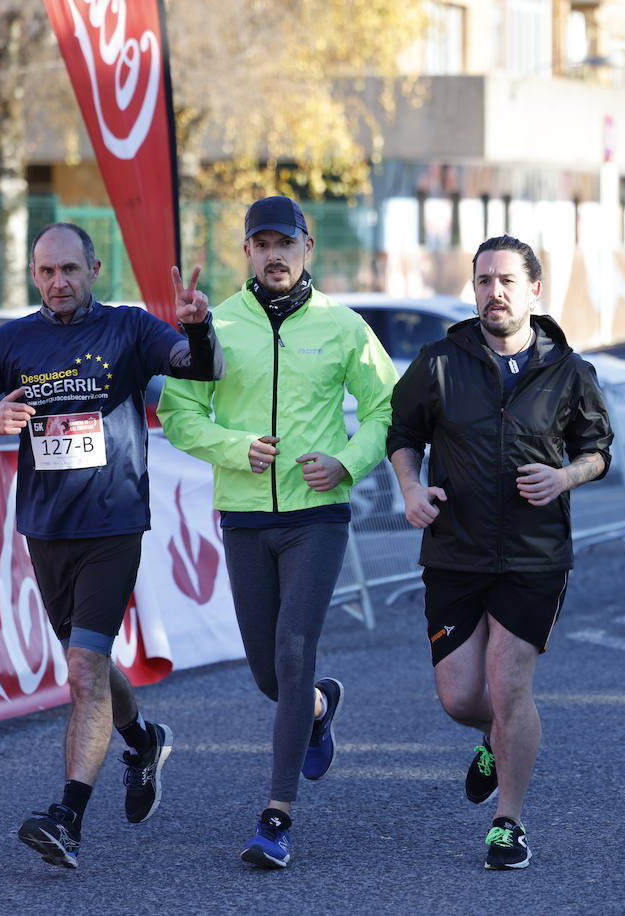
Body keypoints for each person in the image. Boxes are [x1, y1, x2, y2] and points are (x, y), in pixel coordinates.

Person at [0, 222, 224, 869]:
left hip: (113, 524)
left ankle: (66, 816)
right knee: (85, 662)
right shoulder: (14, 341)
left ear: (94, 268)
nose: (58, 282)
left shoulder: (128, 329)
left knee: (84, 670)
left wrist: (198, 326)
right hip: (46, 530)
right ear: (33, 276)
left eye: (69, 269)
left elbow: (202, 369)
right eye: (45, 272)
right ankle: (142, 740)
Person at [157, 196, 397, 869]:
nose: (274, 255)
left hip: (316, 515)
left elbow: (386, 409)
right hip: (245, 516)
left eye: (284, 243)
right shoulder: (216, 326)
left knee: (293, 651)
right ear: (247, 253)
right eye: (261, 244)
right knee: (270, 673)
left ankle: (276, 816)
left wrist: (347, 460)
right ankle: (319, 707)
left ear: (307, 248)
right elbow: (179, 415)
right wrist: (236, 448)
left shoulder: (343, 326)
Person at [387, 235, 613, 870]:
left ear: (534, 290)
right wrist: (410, 487)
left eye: (507, 280)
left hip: (533, 554)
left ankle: (508, 822)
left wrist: (565, 476)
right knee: (461, 698)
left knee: (509, 688)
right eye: (484, 280)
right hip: (454, 550)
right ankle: (495, 738)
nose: (495, 292)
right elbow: (402, 433)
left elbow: (598, 449)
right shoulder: (439, 362)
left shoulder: (569, 370)